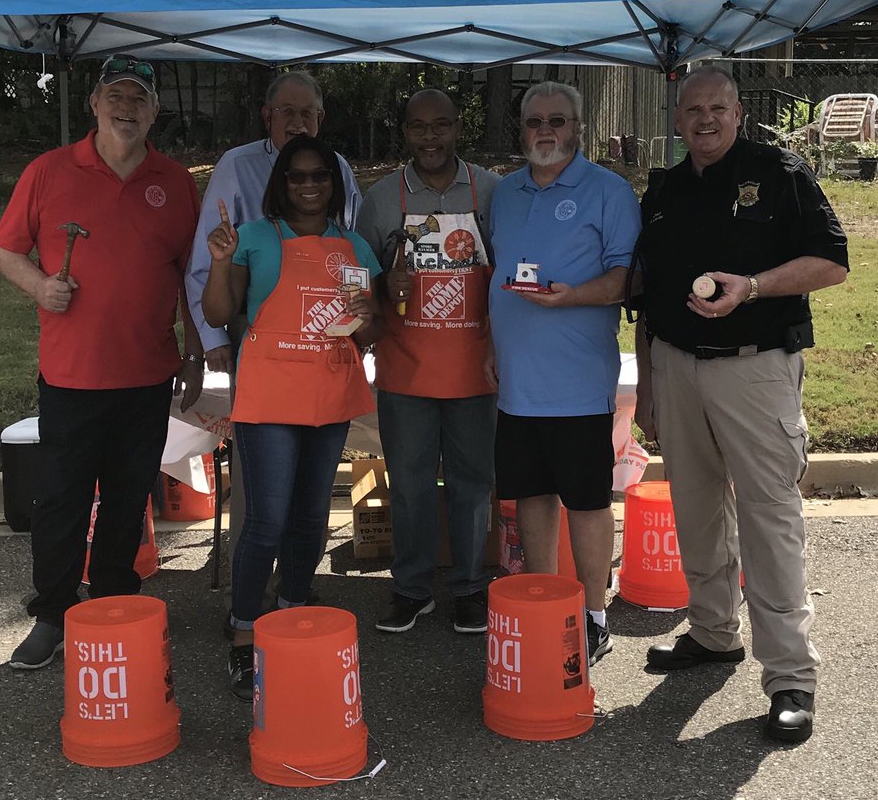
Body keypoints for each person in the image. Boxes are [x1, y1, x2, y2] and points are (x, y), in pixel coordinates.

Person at [632, 66, 848, 743]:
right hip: (675, 366)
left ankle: (790, 677)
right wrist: (648, 385)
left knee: (768, 518)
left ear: (737, 114)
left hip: (755, 369)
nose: (705, 120)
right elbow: (647, 295)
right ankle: (712, 631)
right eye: (692, 110)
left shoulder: (780, 172)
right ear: (677, 120)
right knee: (696, 508)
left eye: (717, 108)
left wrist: (751, 287)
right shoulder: (664, 189)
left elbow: (833, 262)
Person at [0, 54, 205, 669]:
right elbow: (3, 249)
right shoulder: (49, 171)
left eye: (139, 99)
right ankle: (54, 613)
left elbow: (190, 277)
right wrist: (40, 286)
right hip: (71, 374)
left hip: (147, 372)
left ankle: (113, 601)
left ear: (155, 111)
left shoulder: (175, 182)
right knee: (61, 499)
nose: (126, 108)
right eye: (116, 95)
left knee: (127, 497)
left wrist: (194, 351)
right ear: (93, 103)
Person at [202, 135, 382, 699]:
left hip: (329, 394)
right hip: (270, 398)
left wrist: (368, 314)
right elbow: (219, 311)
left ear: (334, 184)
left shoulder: (354, 246)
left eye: (319, 176)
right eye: (297, 176)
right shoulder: (253, 237)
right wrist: (220, 263)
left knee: (310, 519)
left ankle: (291, 615)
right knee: (267, 522)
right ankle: (243, 633)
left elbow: (372, 333)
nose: (309, 186)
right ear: (281, 183)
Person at [486, 81, 641, 665]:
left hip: (577, 381)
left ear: (578, 128)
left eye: (557, 120)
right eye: (534, 121)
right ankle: (545, 603)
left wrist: (573, 296)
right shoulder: (505, 192)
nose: (545, 131)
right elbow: (495, 273)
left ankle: (594, 617)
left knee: (587, 500)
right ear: (521, 129)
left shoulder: (608, 191)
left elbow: (627, 279)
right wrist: (490, 343)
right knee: (531, 495)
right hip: (517, 381)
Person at [356, 89, 498, 635]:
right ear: (405, 132)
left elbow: (510, 270)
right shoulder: (380, 199)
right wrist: (381, 284)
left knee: (472, 484)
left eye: (441, 125)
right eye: (418, 127)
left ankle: (468, 587)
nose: (430, 137)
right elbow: (356, 278)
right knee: (410, 485)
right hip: (405, 370)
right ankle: (411, 589)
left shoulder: (490, 190)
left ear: (459, 127)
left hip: (474, 368)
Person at [186, 70, 362, 370]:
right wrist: (213, 338)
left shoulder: (338, 168)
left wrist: (357, 324)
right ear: (268, 116)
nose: (298, 122)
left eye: (307, 113)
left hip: (325, 321)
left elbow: (352, 248)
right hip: (253, 321)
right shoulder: (236, 166)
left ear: (320, 117)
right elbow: (207, 257)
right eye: (287, 111)